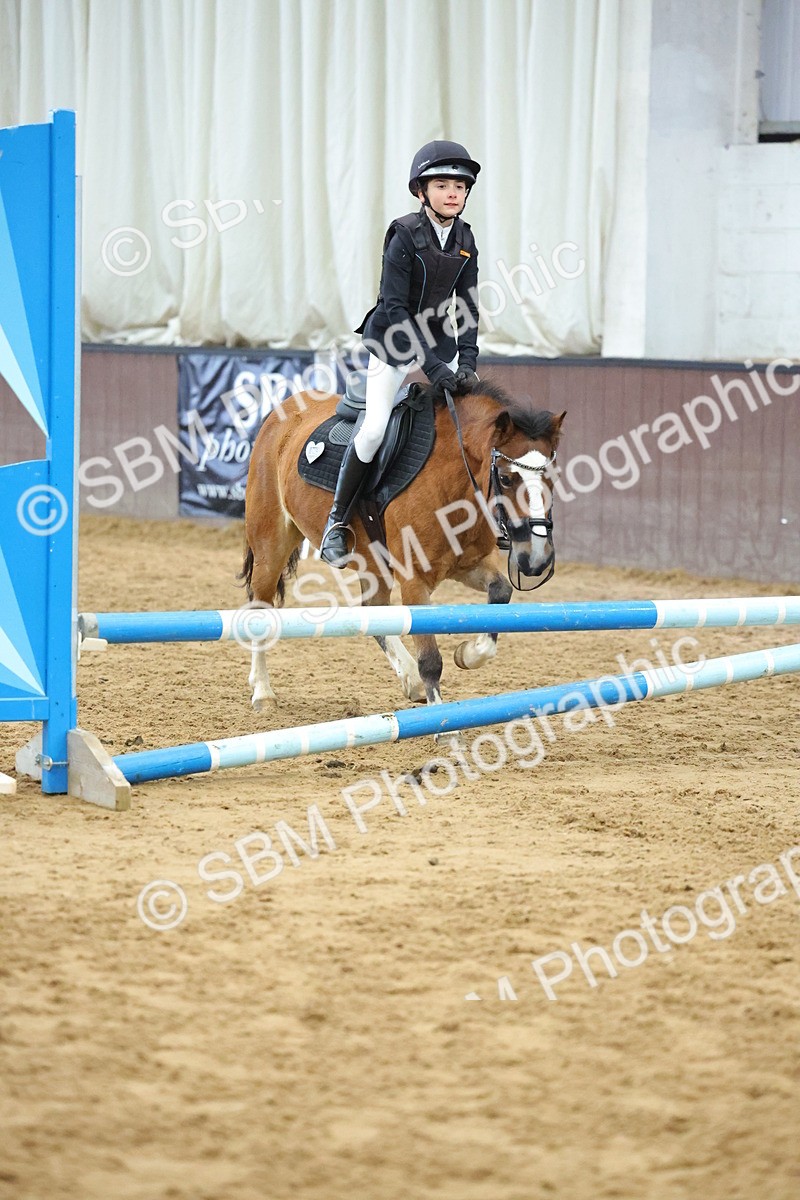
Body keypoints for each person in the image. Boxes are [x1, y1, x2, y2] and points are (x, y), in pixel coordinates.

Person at [320, 139, 482, 566]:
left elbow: (466, 307)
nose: (454, 192)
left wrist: (467, 362)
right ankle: (336, 522)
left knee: (471, 422)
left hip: (438, 341)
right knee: (373, 429)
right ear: (421, 191)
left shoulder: (465, 239)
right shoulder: (404, 235)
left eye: (461, 186)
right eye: (443, 184)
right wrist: (430, 366)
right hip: (394, 340)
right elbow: (394, 307)